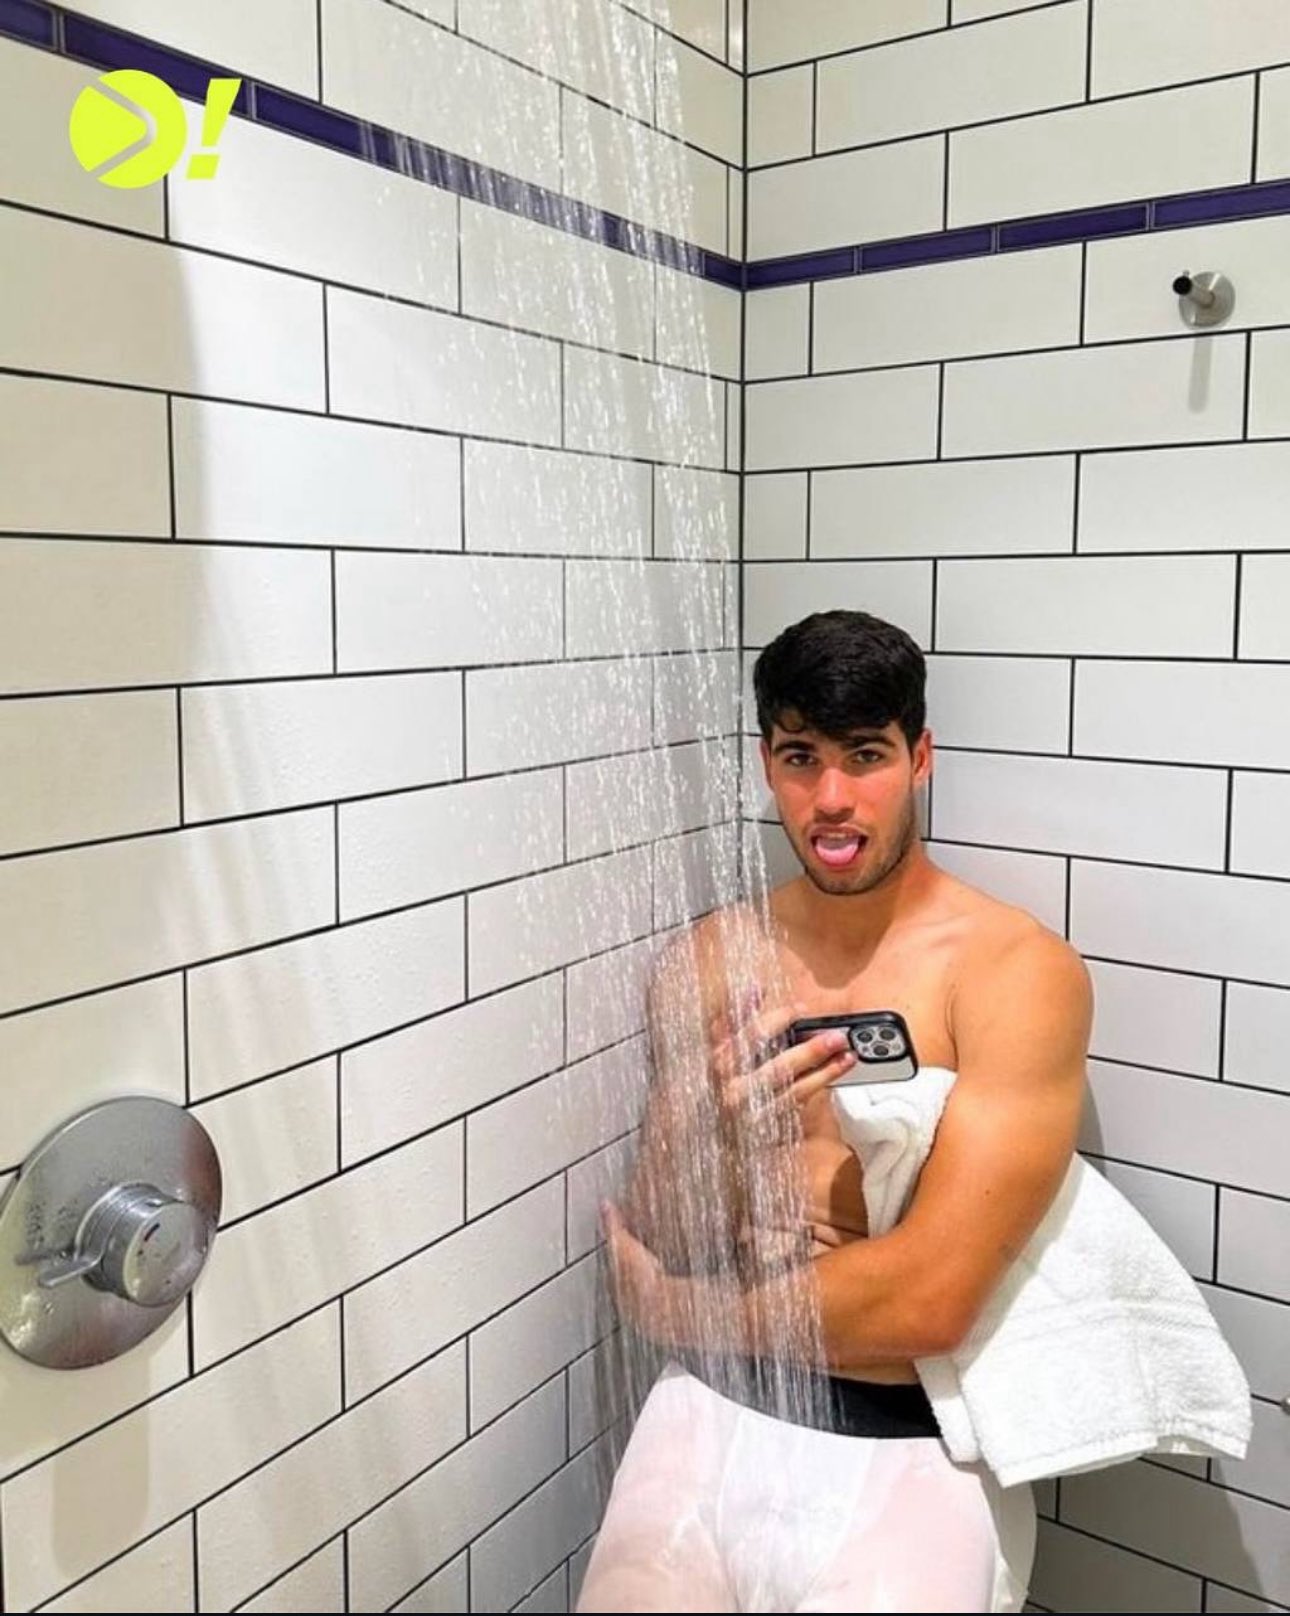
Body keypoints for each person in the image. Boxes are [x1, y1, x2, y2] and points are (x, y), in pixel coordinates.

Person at [576, 609, 1092, 1613]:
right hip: (710, 1409)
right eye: (801, 757)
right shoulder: (711, 957)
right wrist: (713, 1130)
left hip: (907, 1447)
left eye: (865, 755)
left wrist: (679, 1310)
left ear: (920, 757)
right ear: (766, 764)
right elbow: (661, 1235)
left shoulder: (1012, 972)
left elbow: (934, 1301)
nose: (833, 799)